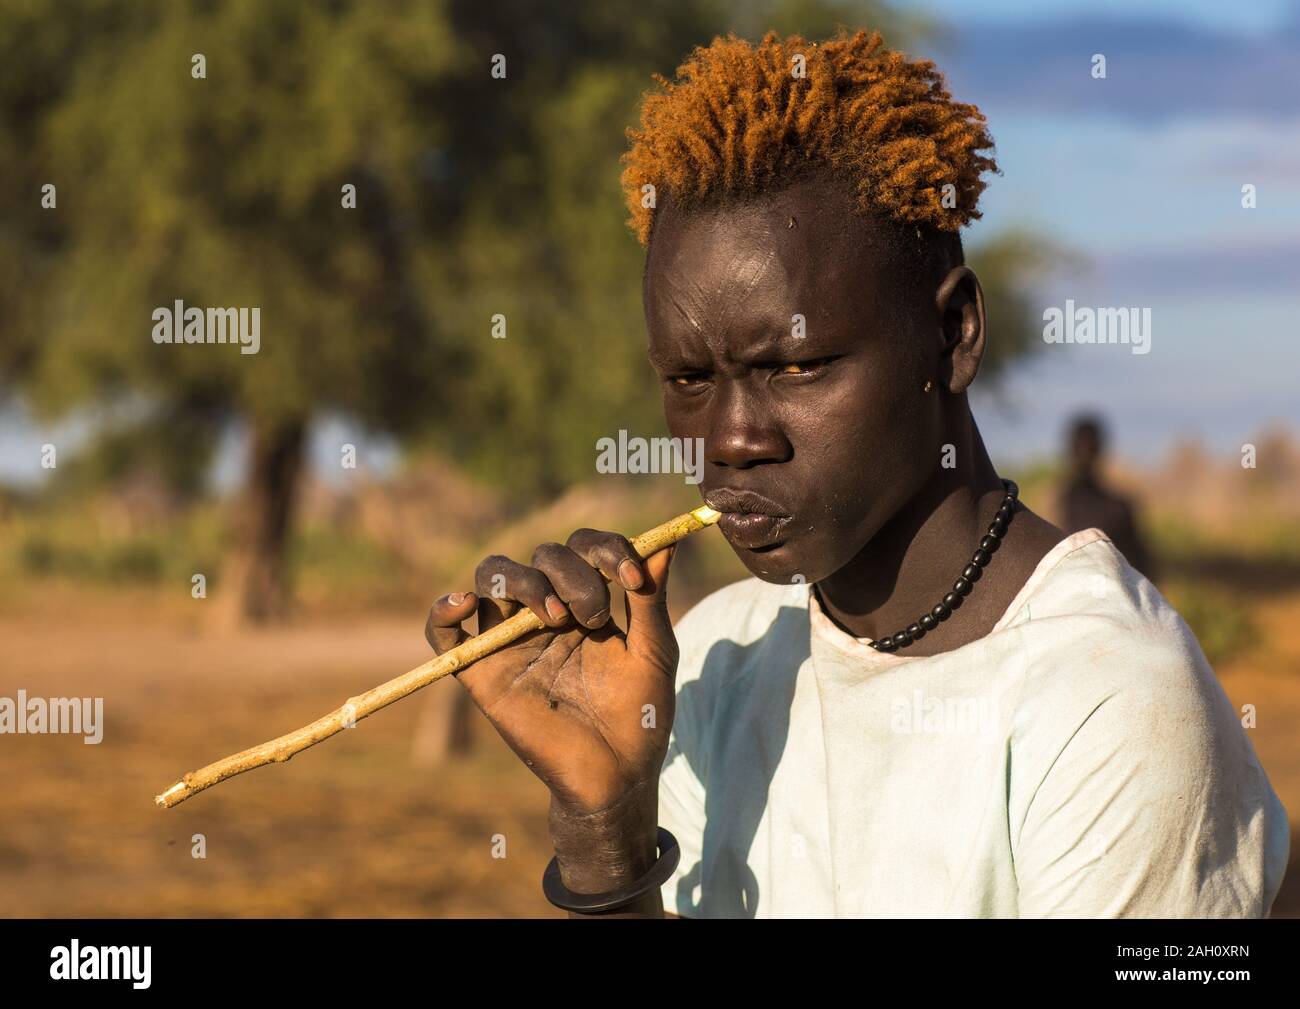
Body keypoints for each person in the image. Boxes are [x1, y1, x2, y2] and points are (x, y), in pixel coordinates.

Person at [423, 30, 1288, 918]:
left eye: (794, 368)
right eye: (688, 379)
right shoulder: (716, 663)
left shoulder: (1106, 699)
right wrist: (605, 829)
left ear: (953, 335)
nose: (730, 439)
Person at [1058, 414, 1157, 582]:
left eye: (1088, 448)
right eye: (1080, 447)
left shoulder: (1119, 509)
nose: (1084, 455)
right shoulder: (1056, 505)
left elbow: (1142, 571)